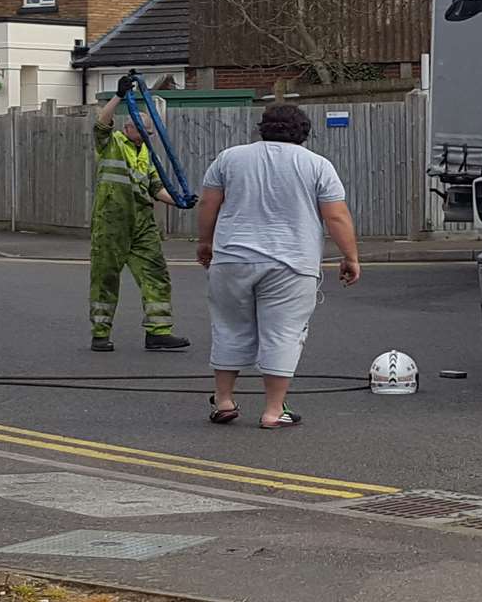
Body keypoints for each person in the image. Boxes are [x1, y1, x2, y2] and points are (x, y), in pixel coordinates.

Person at [197, 104, 361, 429]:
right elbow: (336, 216)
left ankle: (224, 400)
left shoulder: (229, 158)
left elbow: (208, 203)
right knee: (283, 333)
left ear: (262, 128)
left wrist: (205, 242)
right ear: (303, 132)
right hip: (292, 262)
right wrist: (350, 257)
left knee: (229, 327)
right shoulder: (317, 165)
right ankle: (273, 410)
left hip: (232, 258)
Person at [90, 77, 192, 353]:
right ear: (129, 127)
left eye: (152, 132)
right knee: (106, 277)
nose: (150, 135)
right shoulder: (111, 143)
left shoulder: (146, 152)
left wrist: (181, 202)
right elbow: (101, 123)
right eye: (145, 130)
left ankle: (159, 332)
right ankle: (101, 332)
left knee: (156, 274)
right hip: (111, 221)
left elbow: (156, 187)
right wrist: (119, 96)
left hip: (142, 223)